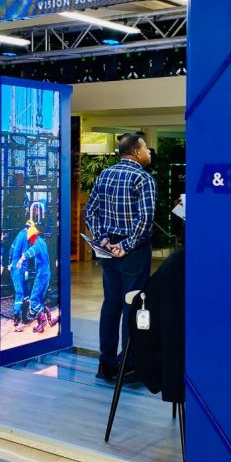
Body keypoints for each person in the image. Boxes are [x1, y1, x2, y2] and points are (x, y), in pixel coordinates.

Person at [84, 132, 156, 380]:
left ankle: (106, 364)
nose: (149, 151)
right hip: (133, 252)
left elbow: (90, 211)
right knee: (132, 306)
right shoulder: (143, 178)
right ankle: (129, 364)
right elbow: (145, 219)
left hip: (107, 251)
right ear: (135, 152)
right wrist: (126, 245)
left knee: (111, 304)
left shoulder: (105, 175)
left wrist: (104, 239)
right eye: (145, 148)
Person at [18, 223, 56, 334]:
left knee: (34, 300)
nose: (30, 242)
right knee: (39, 298)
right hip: (46, 274)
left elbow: (31, 252)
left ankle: (42, 321)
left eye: (30, 239)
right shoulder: (42, 242)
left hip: (41, 275)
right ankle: (48, 317)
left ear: (32, 236)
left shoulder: (37, 244)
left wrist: (21, 260)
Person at [7, 220, 33, 330]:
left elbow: (11, 250)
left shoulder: (19, 234)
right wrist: (25, 271)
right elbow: (24, 256)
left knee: (25, 293)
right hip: (19, 269)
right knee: (21, 292)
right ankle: (17, 316)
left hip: (15, 267)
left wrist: (10, 263)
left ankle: (23, 318)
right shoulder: (25, 237)